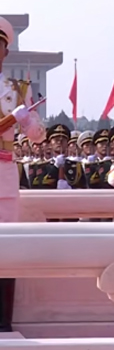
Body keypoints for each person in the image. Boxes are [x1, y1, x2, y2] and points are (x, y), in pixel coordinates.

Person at [0, 17, 45, 332]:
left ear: (5, 52)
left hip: (4, 174)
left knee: (6, 248)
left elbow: (39, 137)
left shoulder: (17, 90)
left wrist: (28, 122)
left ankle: (3, 320)